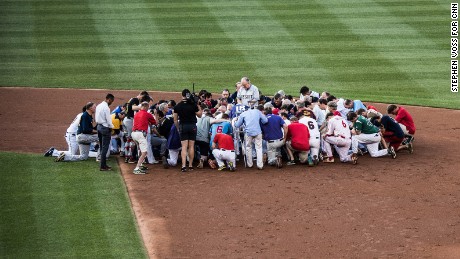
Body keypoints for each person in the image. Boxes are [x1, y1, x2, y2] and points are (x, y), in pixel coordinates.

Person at [174, 89, 202, 172]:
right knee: (191, 146)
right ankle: (190, 165)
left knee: (184, 147)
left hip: (183, 126)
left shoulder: (177, 106)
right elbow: (200, 115)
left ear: (182, 95)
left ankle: (183, 166)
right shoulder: (193, 105)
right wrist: (198, 105)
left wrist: (178, 127)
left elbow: (175, 120)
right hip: (192, 126)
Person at [234, 104, 268, 169]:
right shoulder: (257, 111)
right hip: (258, 132)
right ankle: (260, 165)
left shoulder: (243, 114)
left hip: (248, 132)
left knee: (248, 147)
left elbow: (237, 125)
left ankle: (250, 164)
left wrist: (235, 120)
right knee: (259, 148)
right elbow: (265, 121)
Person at [131, 102, 156, 174]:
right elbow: (155, 122)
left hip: (134, 134)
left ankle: (140, 164)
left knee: (140, 149)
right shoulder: (147, 114)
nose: (148, 109)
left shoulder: (136, 114)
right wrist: (156, 115)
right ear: (145, 107)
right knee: (144, 152)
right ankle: (137, 168)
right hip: (140, 134)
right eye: (148, 107)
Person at [95, 93, 115, 171]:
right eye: (111, 101)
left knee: (101, 146)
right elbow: (108, 120)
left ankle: (102, 164)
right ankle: (103, 166)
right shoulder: (106, 108)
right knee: (105, 147)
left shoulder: (99, 105)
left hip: (99, 127)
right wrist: (111, 127)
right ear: (108, 99)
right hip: (105, 128)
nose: (111, 103)